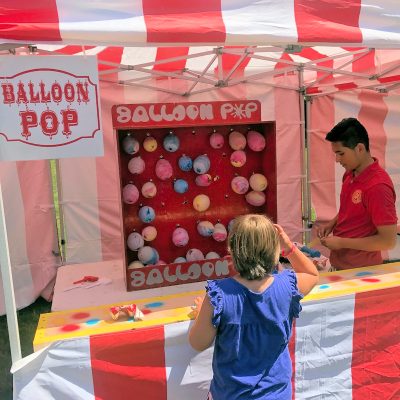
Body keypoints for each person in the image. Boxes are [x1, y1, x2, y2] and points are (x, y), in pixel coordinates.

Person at [188, 214, 319, 400]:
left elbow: (197, 342)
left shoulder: (219, 295)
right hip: (277, 394)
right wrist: (288, 246)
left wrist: (205, 311)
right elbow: (312, 274)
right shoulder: (288, 285)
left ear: (232, 250)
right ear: (274, 250)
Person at [317, 117, 397, 270]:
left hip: (362, 270)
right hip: (341, 265)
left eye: (341, 153)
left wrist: (342, 242)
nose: (337, 159)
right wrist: (332, 223)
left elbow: (388, 241)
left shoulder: (378, 187)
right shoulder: (350, 173)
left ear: (360, 148)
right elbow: (351, 210)